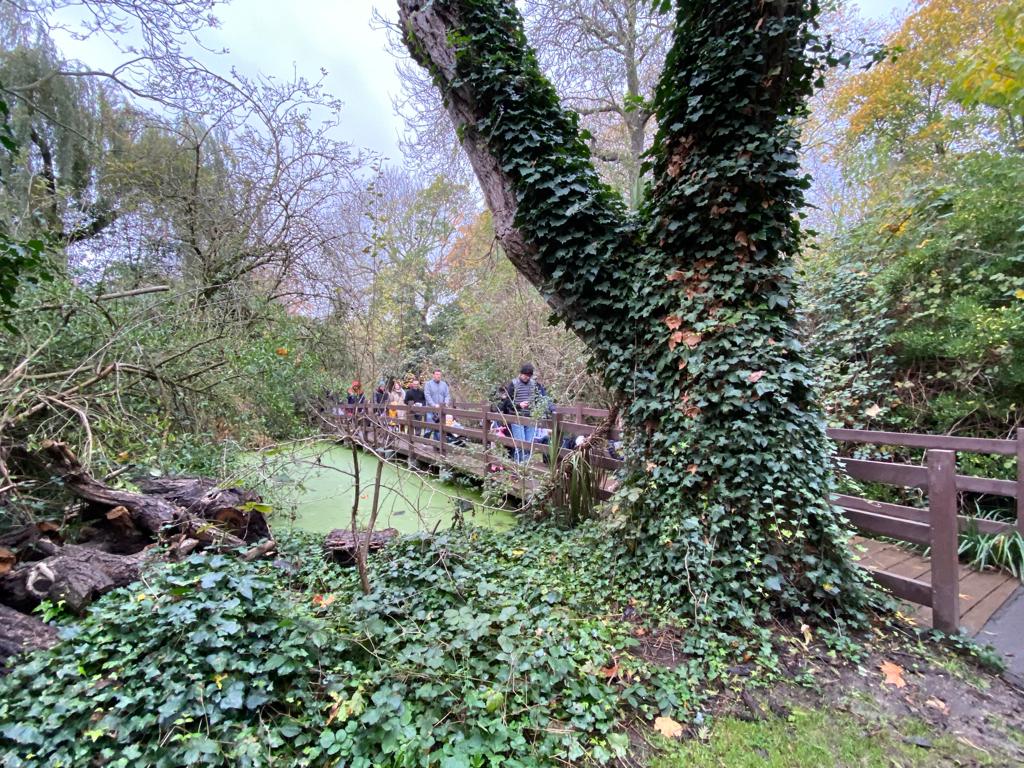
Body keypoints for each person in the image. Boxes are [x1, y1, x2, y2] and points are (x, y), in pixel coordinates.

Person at [505, 363, 539, 462]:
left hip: (531, 417)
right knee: (520, 445)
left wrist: (535, 407)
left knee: (529, 445)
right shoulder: (513, 384)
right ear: (521, 373)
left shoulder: (534, 384)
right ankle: (519, 467)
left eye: (529, 376)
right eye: (525, 375)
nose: (527, 378)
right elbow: (507, 402)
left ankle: (526, 469)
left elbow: (538, 398)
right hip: (517, 417)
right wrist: (519, 405)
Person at [424, 368, 451, 442]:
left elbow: (447, 395)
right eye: (437, 374)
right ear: (433, 375)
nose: (438, 376)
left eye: (439, 375)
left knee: (439, 427)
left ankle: (436, 444)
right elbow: (427, 395)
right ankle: (425, 442)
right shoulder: (428, 384)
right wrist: (433, 405)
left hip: (441, 410)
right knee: (430, 426)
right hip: (431, 409)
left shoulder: (444, 384)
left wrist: (445, 403)